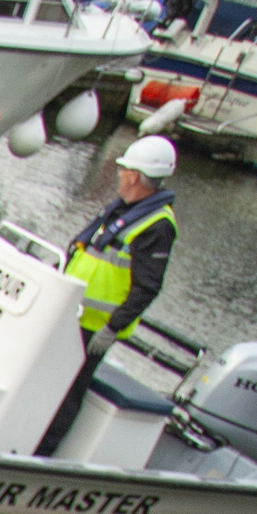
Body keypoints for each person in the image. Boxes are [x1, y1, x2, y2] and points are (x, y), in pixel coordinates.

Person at [39, 136, 181, 460]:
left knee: (69, 391)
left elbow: (147, 287)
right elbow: (83, 251)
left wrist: (111, 328)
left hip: (93, 326)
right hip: (70, 313)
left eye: (124, 170)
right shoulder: (123, 208)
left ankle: (43, 454)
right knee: (47, 380)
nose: (119, 175)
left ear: (134, 176)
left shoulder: (157, 225)